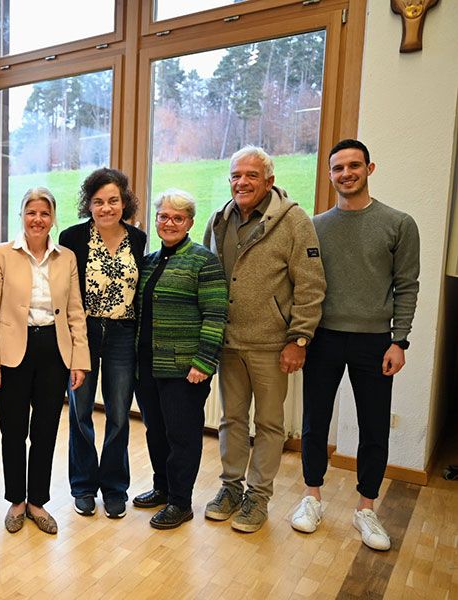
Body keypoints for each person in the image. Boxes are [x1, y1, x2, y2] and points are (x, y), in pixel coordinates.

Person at [290, 139, 419, 551]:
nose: (346, 173)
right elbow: (304, 285)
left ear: (369, 169)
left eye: (354, 166)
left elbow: (407, 286)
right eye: (338, 168)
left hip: (375, 342)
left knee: (374, 426)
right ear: (330, 175)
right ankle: (312, 496)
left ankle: (366, 507)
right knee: (315, 421)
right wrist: (300, 335)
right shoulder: (315, 226)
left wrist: (400, 341)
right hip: (323, 338)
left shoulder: (399, 224)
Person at [202, 145, 326, 533]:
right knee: (231, 421)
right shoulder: (219, 220)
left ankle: (258, 497)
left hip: (272, 345)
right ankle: (231, 488)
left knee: (270, 424)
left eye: (251, 175)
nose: (242, 182)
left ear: (269, 180)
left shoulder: (294, 221)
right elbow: (207, 278)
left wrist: (299, 339)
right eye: (236, 175)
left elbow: (311, 284)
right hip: (228, 343)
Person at [0, 187, 90, 535]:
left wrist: (80, 360)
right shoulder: (1, 254)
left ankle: (37, 501)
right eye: (31, 212)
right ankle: (16, 500)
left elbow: (75, 312)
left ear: (53, 218)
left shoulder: (66, 258)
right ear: (22, 216)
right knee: (13, 431)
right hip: (12, 352)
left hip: (54, 352)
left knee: (46, 430)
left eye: (44, 213)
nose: (37, 219)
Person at [134, 189, 227, 529]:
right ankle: (162, 488)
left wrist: (204, 361)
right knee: (156, 432)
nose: (169, 223)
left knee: (182, 437)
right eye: (164, 216)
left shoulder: (203, 261)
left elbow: (216, 314)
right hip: (147, 365)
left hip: (185, 369)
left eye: (178, 218)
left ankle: (180, 502)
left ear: (189, 222)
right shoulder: (149, 261)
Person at [58, 168, 146, 519]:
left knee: (119, 414)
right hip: (84, 332)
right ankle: (82, 486)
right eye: (98, 202)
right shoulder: (72, 237)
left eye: (113, 200)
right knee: (80, 412)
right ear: (89, 204)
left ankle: (114, 488)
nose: (106, 208)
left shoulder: (138, 239)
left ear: (124, 203)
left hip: (123, 333)